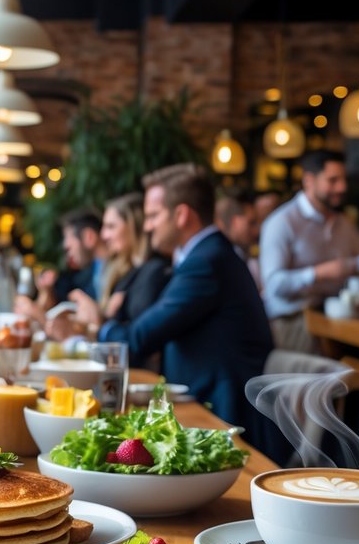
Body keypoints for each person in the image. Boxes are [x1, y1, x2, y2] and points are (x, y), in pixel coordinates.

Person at [98, 163, 284, 461]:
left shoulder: (207, 262)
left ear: (182, 214)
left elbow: (140, 338)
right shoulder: (207, 254)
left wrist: (99, 324)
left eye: (153, 215)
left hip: (225, 422)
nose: (147, 226)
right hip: (205, 408)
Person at [259, 150, 359, 353]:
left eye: (343, 180)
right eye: (333, 180)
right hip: (292, 321)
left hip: (339, 317)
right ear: (309, 181)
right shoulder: (282, 222)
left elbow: (358, 265)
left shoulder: (344, 224)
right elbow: (274, 285)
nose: (342, 187)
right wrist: (318, 273)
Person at [65, 192, 170, 366]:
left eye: (111, 226)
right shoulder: (125, 273)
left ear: (134, 226)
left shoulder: (155, 272)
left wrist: (99, 319)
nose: (104, 235)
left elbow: (139, 342)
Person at [215, 188, 262, 291]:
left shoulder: (244, 256)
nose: (257, 230)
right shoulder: (218, 262)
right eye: (251, 223)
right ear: (235, 221)